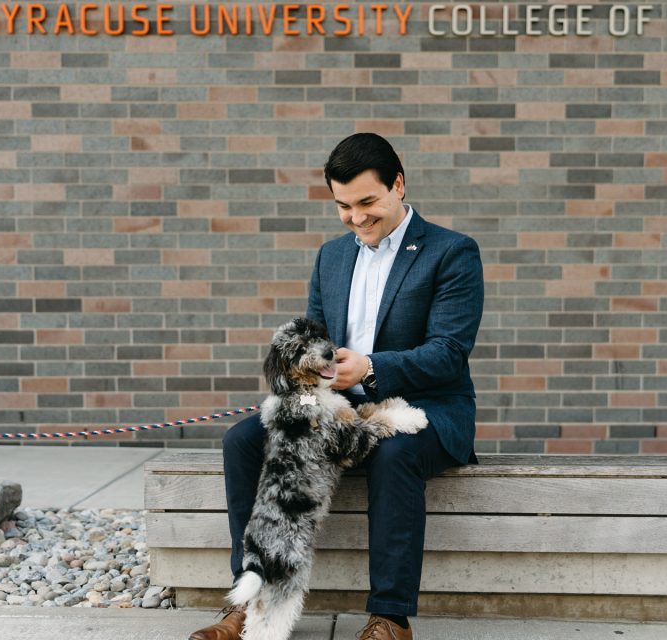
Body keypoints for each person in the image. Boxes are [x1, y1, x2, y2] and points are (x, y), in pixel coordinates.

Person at [189, 133, 484, 640]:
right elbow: (313, 340)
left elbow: (449, 353)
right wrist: (307, 378)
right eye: (343, 206)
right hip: (337, 410)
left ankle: (389, 617)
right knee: (242, 441)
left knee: (393, 455)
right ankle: (250, 597)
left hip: (426, 409)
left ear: (398, 183)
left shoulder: (451, 252)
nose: (356, 217)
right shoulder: (331, 257)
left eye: (367, 201)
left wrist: (370, 369)